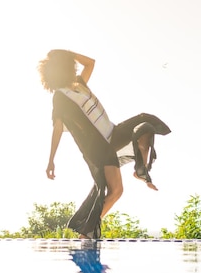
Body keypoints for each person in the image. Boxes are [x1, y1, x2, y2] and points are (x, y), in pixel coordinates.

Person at [38, 49, 171, 239]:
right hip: (98, 146)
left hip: (113, 133)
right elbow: (57, 128)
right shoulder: (60, 96)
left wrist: (66, 52)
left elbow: (90, 63)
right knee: (116, 190)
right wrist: (51, 160)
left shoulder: (79, 85)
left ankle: (140, 171)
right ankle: (87, 231)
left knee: (145, 123)